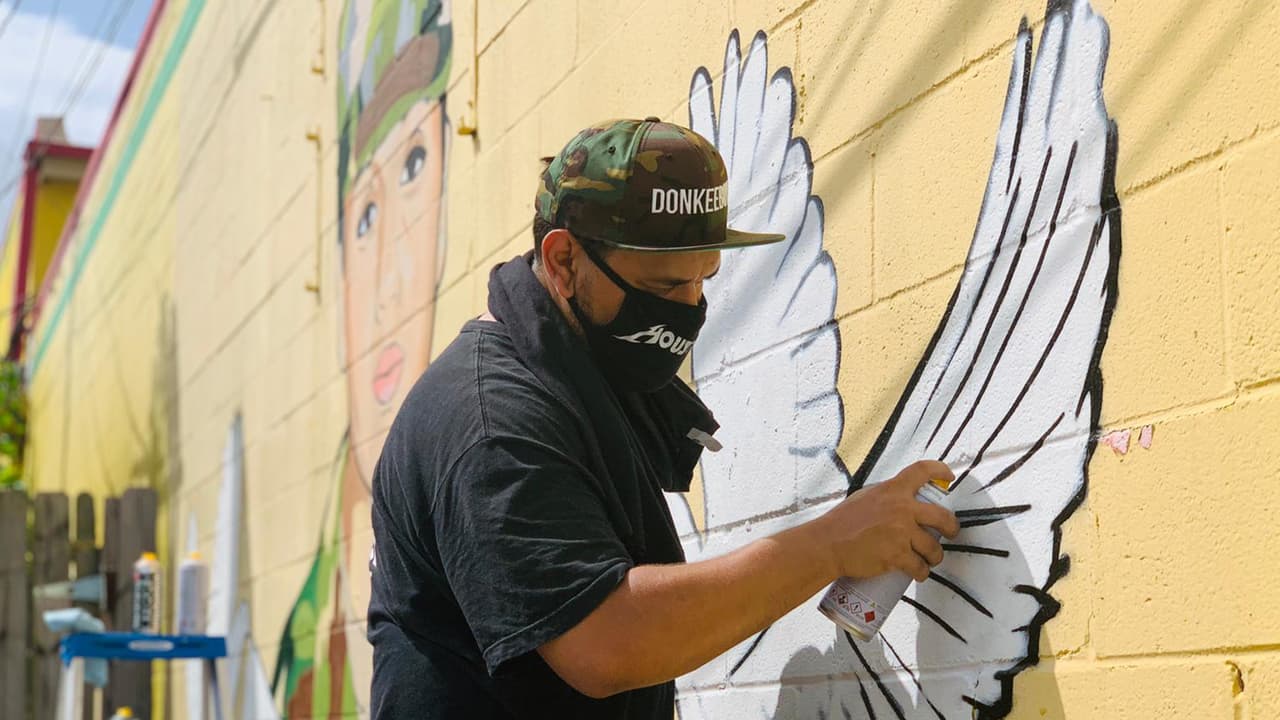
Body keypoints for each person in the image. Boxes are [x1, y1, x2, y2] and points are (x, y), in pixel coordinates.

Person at [366, 117, 960, 718]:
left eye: (704, 281)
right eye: (664, 284)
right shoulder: (492, 422)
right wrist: (832, 543)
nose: (689, 309)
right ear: (565, 259)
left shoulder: (582, 374)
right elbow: (606, 642)